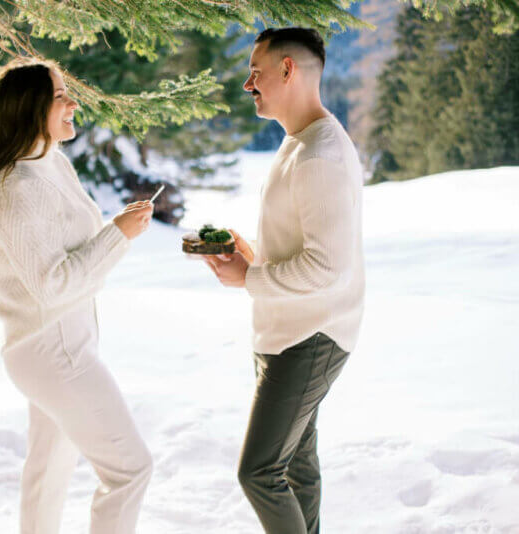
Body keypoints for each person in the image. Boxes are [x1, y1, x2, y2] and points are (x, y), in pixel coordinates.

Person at [0, 59, 154, 534]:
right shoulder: (16, 187)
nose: (73, 103)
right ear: (31, 109)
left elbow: (66, 248)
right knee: (130, 469)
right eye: (60, 96)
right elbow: (53, 285)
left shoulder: (48, 162)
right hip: (55, 353)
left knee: (48, 474)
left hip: (55, 349)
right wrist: (119, 234)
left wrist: (116, 230)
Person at [202, 28, 365, 533]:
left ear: (288, 70)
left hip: (310, 337)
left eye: (256, 72)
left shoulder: (321, 155)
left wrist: (250, 278)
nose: (249, 84)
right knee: (294, 466)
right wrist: (254, 254)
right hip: (291, 331)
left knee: (259, 472)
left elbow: (325, 267)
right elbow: (305, 244)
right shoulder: (301, 142)